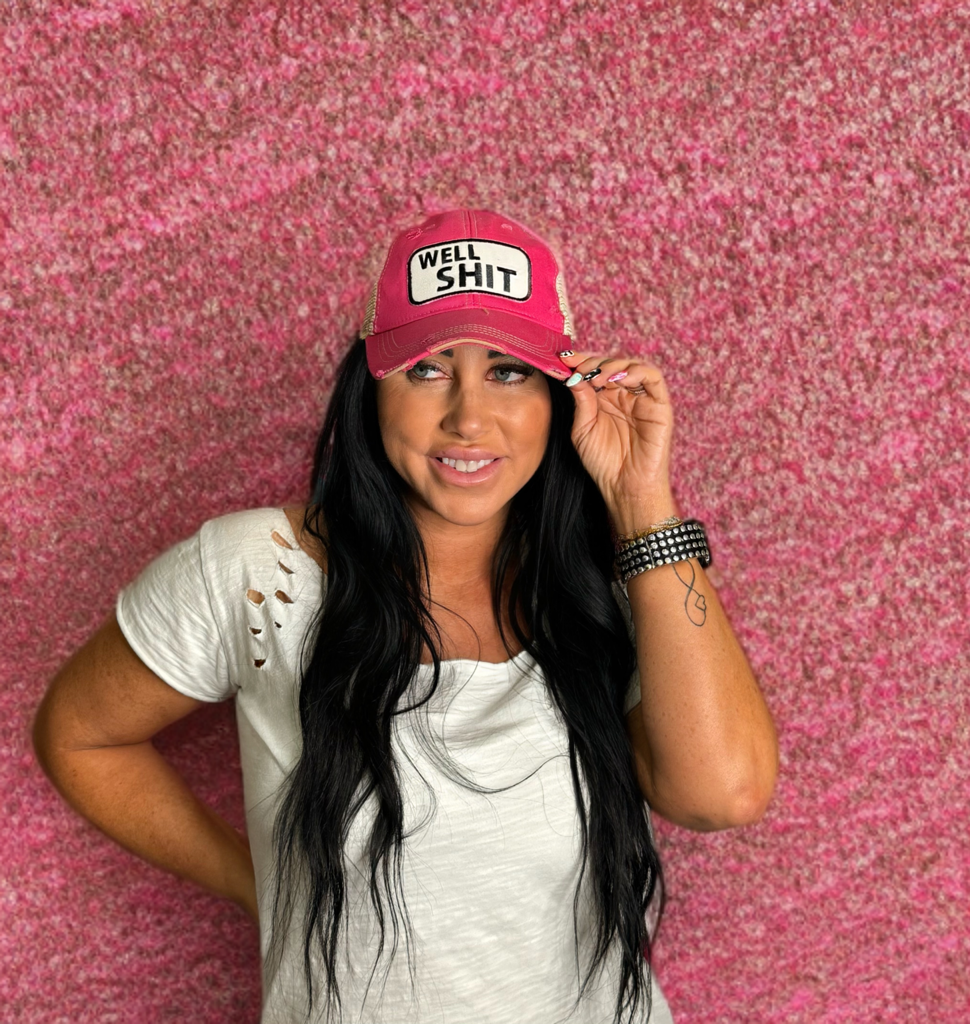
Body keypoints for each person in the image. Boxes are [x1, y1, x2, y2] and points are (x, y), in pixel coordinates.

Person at [33, 208, 778, 1024]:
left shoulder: (615, 579)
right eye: (427, 369)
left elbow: (724, 795)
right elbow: (80, 733)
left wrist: (641, 504)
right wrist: (257, 886)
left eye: (508, 371)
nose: (469, 418)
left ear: (560, 396)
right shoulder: (259, 574)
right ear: (372, 389)